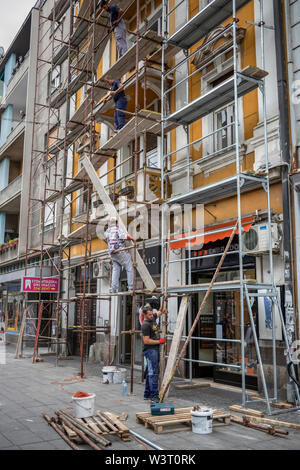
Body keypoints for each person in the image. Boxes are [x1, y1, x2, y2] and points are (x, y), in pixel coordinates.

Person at [141, 303, 166, 403]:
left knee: (150, 372)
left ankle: (147, 393)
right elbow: (146, 341)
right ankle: (154, 396)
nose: (152, 316)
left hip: (155, 349)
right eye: (150, 315)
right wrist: (159, 341)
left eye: (152, 314)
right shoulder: (145, 325)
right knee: (153, 373)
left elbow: (159, 312)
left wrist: (164, 300)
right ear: (144, 315)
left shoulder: (153, 318)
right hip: (150, 350)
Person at [105, 216, 134, 292]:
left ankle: (113, 288)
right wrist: (132, 237)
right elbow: (125, 237)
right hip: (119, 251)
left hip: (112, 253)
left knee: (116, 269)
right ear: (117, 222)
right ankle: (131, 287)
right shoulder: (118, 229)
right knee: (129, 266)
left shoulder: (107, 231)